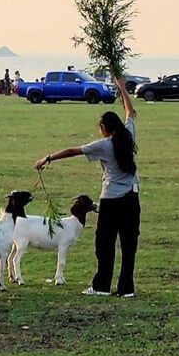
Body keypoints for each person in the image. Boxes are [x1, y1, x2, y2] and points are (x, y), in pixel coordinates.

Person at [34, 76, 139, 297]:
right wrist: (121, 88)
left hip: (111, 199)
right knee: (129, 244)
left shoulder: (103, 145)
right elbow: (130, 112)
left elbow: (73, 151)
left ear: (104, 128)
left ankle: (101, 286)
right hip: (131, 198)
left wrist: (48, 158)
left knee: (104, 244)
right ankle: (127, 289)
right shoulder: (128, 136)